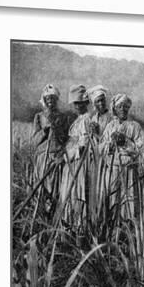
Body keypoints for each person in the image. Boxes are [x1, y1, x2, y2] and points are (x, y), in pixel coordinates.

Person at [98, 93, 144, 223]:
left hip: (129, 169)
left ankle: (128, 229)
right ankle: (113, 227)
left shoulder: (134, 126)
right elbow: (101, 148)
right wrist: (111, 144)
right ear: (115, 109)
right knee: (113, 199)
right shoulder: (110, 127)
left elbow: (140, 149)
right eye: (120, 107)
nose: (123, 109)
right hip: (113, 169)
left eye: (125, 107)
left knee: (128, 200)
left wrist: (126, 142)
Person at [58, 84, 96, 238]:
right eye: (75, 104)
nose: (77, 107)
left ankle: (79, 229)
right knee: (69, 193)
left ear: (86, 103)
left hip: (79, 163)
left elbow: (84, 145)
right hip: (71, 162)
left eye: (80, 104)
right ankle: (70, 228)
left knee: (78, 193)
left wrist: (70, 154)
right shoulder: (79, 119)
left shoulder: (87, 120)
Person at [32, 84, 75, 212]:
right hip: (42, 157)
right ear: (44, 100)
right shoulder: (39, 117)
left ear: (57, 99)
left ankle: (54, 215)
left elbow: (67, 139)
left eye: (53, 98)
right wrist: (45, 131)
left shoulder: (62, 117)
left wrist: (57, 132)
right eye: (47, 98)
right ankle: (40, 214)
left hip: (57, 157)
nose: (50, 100)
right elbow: (34, 141)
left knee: (56, 189)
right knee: (42, 188)